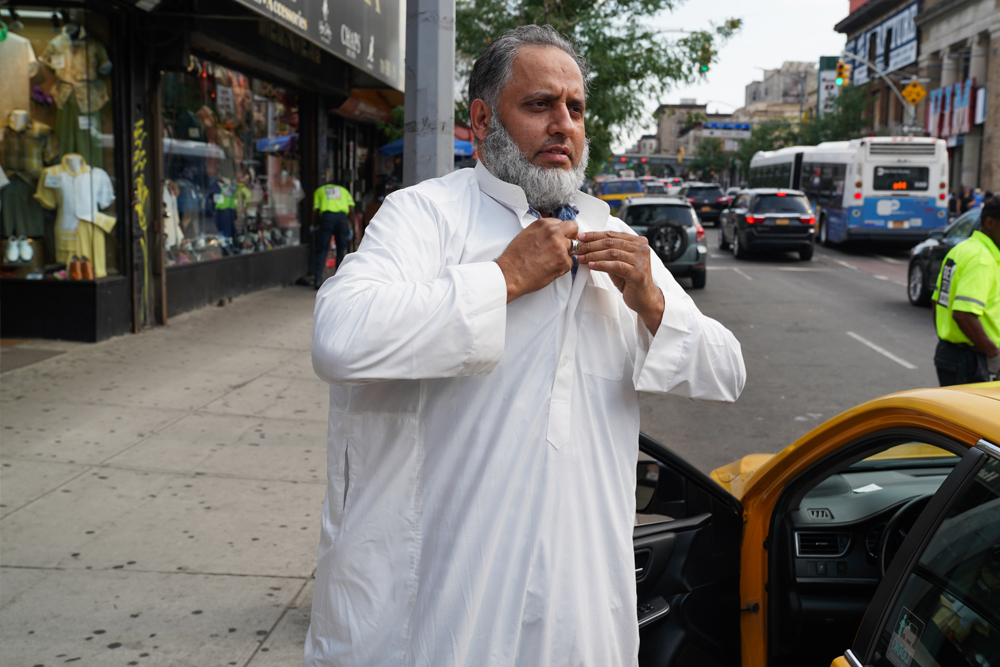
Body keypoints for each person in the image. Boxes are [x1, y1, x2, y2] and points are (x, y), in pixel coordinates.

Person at [308, 25, 746, 667]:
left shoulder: (611, 235)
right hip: (445, 606)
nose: (563, 125)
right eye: (539, 105)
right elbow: (339, 337)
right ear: (483, 118)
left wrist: (651, 301)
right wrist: (504, 279)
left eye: (575, 108)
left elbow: (726, 372)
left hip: (581, 609)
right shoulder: (426, 216)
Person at [932, 195, 1000, 385]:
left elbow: (937, 300)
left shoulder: (961, 249)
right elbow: (963, 314)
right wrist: (993, 354)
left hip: (952, 354)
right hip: (972, 360)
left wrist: (948, 337)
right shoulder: (981, 259)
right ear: (990, 222)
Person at [311, 178, 354, 289]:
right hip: (341, 219)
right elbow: (351, 209)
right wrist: (352, 227)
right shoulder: (344, 191)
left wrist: (314, 225)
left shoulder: (320, 190)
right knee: (341, 250)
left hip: (326, 218)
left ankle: (318, 280)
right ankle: (340, 281)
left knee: (322, 249)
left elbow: (316, 210)